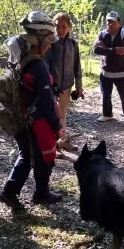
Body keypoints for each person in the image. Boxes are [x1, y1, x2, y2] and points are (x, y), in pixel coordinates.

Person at [0, 11, 63, 212]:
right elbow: (46, 100)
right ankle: (25, 192)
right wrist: (56, 125)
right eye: (49, 40)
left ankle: (30, 192)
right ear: (39, 39)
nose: (51, 45)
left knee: (29, 154)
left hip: (22, 118)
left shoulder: (20, 60)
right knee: (42, 157)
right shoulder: (38, 66)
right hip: (37, 121)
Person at [45, 12, 84, 152]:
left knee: (62, 115)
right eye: (56, 26)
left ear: (69, 27)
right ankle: (52, 145)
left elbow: (77, 66)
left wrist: (79, 86)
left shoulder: (73, 44)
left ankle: (62, 141)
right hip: (50, 87)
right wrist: (49, 84)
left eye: (63, 26)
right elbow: (45, 66)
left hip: (66, 86)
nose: (60, 30)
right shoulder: (49, 44)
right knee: (51, 115)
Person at [94, 11, 124, 126]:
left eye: (113, 22)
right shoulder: (102, 34)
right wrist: (114, 50)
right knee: (105, 94)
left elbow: (123, 51)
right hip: (106, 72)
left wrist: (106, 49)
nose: (110, 24)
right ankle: (107, 114)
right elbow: (96, 50)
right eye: (108, 21)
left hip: (122, 73)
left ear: (119, 23)